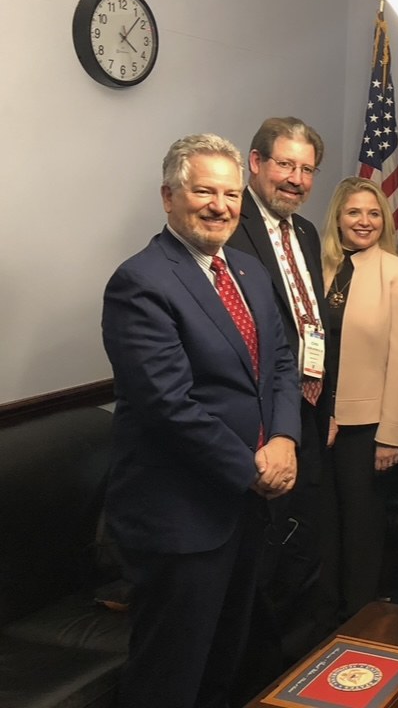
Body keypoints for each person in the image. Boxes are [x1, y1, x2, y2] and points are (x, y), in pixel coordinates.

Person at [102, 134, 301, 708]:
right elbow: (169, 405)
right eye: (204, 191)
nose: (220, 206)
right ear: (169, 197)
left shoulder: (247, 270)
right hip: (181, 517)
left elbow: (281, 362)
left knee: (224, 663)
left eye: (231, 193)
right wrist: (252, 468)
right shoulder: (141, 281)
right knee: (169, 676)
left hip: (243, 510)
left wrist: (285, 438)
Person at [224, 116, 333, 680]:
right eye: (285, 165)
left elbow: (307, 325)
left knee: (300, 547)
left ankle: (297, 673)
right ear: (256, 163)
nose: (295, 179)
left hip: (306, 411)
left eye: (306, 169)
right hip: (256, 423)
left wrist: (323, 403)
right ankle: (261, 678)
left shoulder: (307, 232)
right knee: (262, 556)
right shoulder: (226, 224)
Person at [319, 176, 398, 619]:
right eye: (354, 212)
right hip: (313, 418)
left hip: (365, 429)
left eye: (374, 213)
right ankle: (320, 621)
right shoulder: (313, 268)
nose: (364, 221)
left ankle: (357, 621)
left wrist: (391, 436)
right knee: (320, 529)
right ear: (337, 219)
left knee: (361, 532)